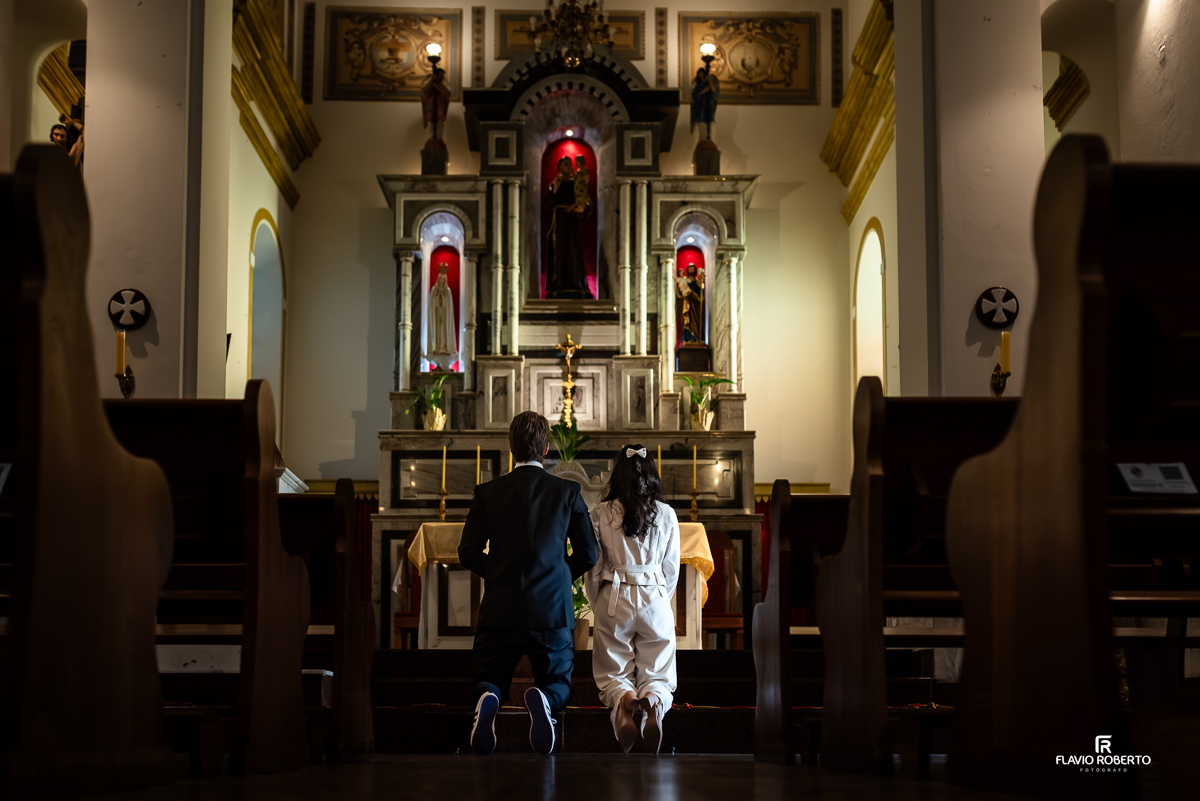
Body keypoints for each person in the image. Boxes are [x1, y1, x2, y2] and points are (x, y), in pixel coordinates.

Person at [459, 411, 599, 756]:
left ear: (511, 448)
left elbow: (467, 552)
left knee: (489, 677)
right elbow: (589, 553)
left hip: (500, 609)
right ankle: (546, 700)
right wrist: (559, 577)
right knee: (558, 681)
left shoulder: (487, 492)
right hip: (550, 612)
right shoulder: (568, 491)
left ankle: (489, 697)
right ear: (546, 448)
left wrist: (498, 573)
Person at [585, 445, 681, 754]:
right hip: (654, 595)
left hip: (615, 595)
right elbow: (671, 569)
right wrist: (660, 600)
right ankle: (653, 699)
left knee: (613, 669)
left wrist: (597, 601)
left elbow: (594, 566)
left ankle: (624, 700)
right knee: (658, 669)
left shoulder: (601, 512)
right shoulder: (667, 514)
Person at [544, 155, 592, 299]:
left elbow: (584, 199)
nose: (569, 167)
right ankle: (558, 284)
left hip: (571, 222)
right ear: (559, 168)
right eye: (565, 164)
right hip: (558, 221)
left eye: (570, 164)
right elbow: (548, 203)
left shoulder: (576, 184)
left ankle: (576, 284)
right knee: (559, 250)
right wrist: (555, 188)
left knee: (573, 251)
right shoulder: (554, 184)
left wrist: (582, 207)